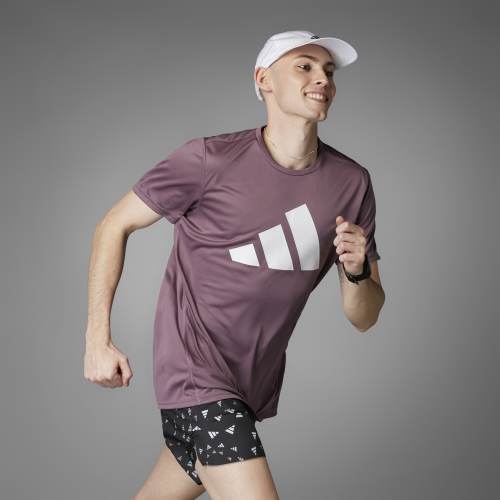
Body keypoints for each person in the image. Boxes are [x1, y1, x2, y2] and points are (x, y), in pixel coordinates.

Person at [83, 30, 386, 500]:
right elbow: (112, 225)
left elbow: (363, 316)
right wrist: (96, 340)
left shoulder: (351, 183)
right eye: (304, 66)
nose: (322, 79)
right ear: (264, 79)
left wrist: (358, 269)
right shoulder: (208, 160)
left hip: (247, 388)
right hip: (196, 375)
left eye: (328, 71)